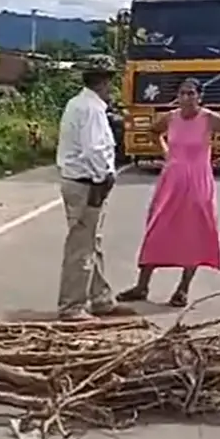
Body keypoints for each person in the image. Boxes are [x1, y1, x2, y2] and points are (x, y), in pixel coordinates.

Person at [115, 78, 220, 306]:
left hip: (198, 181)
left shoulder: (208, 118)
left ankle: (183, 289)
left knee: (194, 232)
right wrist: (166, 153)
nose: (186, 98)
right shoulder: (171, 118)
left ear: (199, 96)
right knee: (157, 228)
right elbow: (154, 132)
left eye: (191, 93)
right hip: (171, 180)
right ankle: (142, 285)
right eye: (183, 93)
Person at [55, 54, 137, 321]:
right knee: (81, 246)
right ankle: (71, 306)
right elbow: (94, 149)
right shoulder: (91, 109)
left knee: (92, 242)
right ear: (105, 81)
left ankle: (100, 298)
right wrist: (105, 177)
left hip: (80, 181)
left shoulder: (79, 104)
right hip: (87, 183)